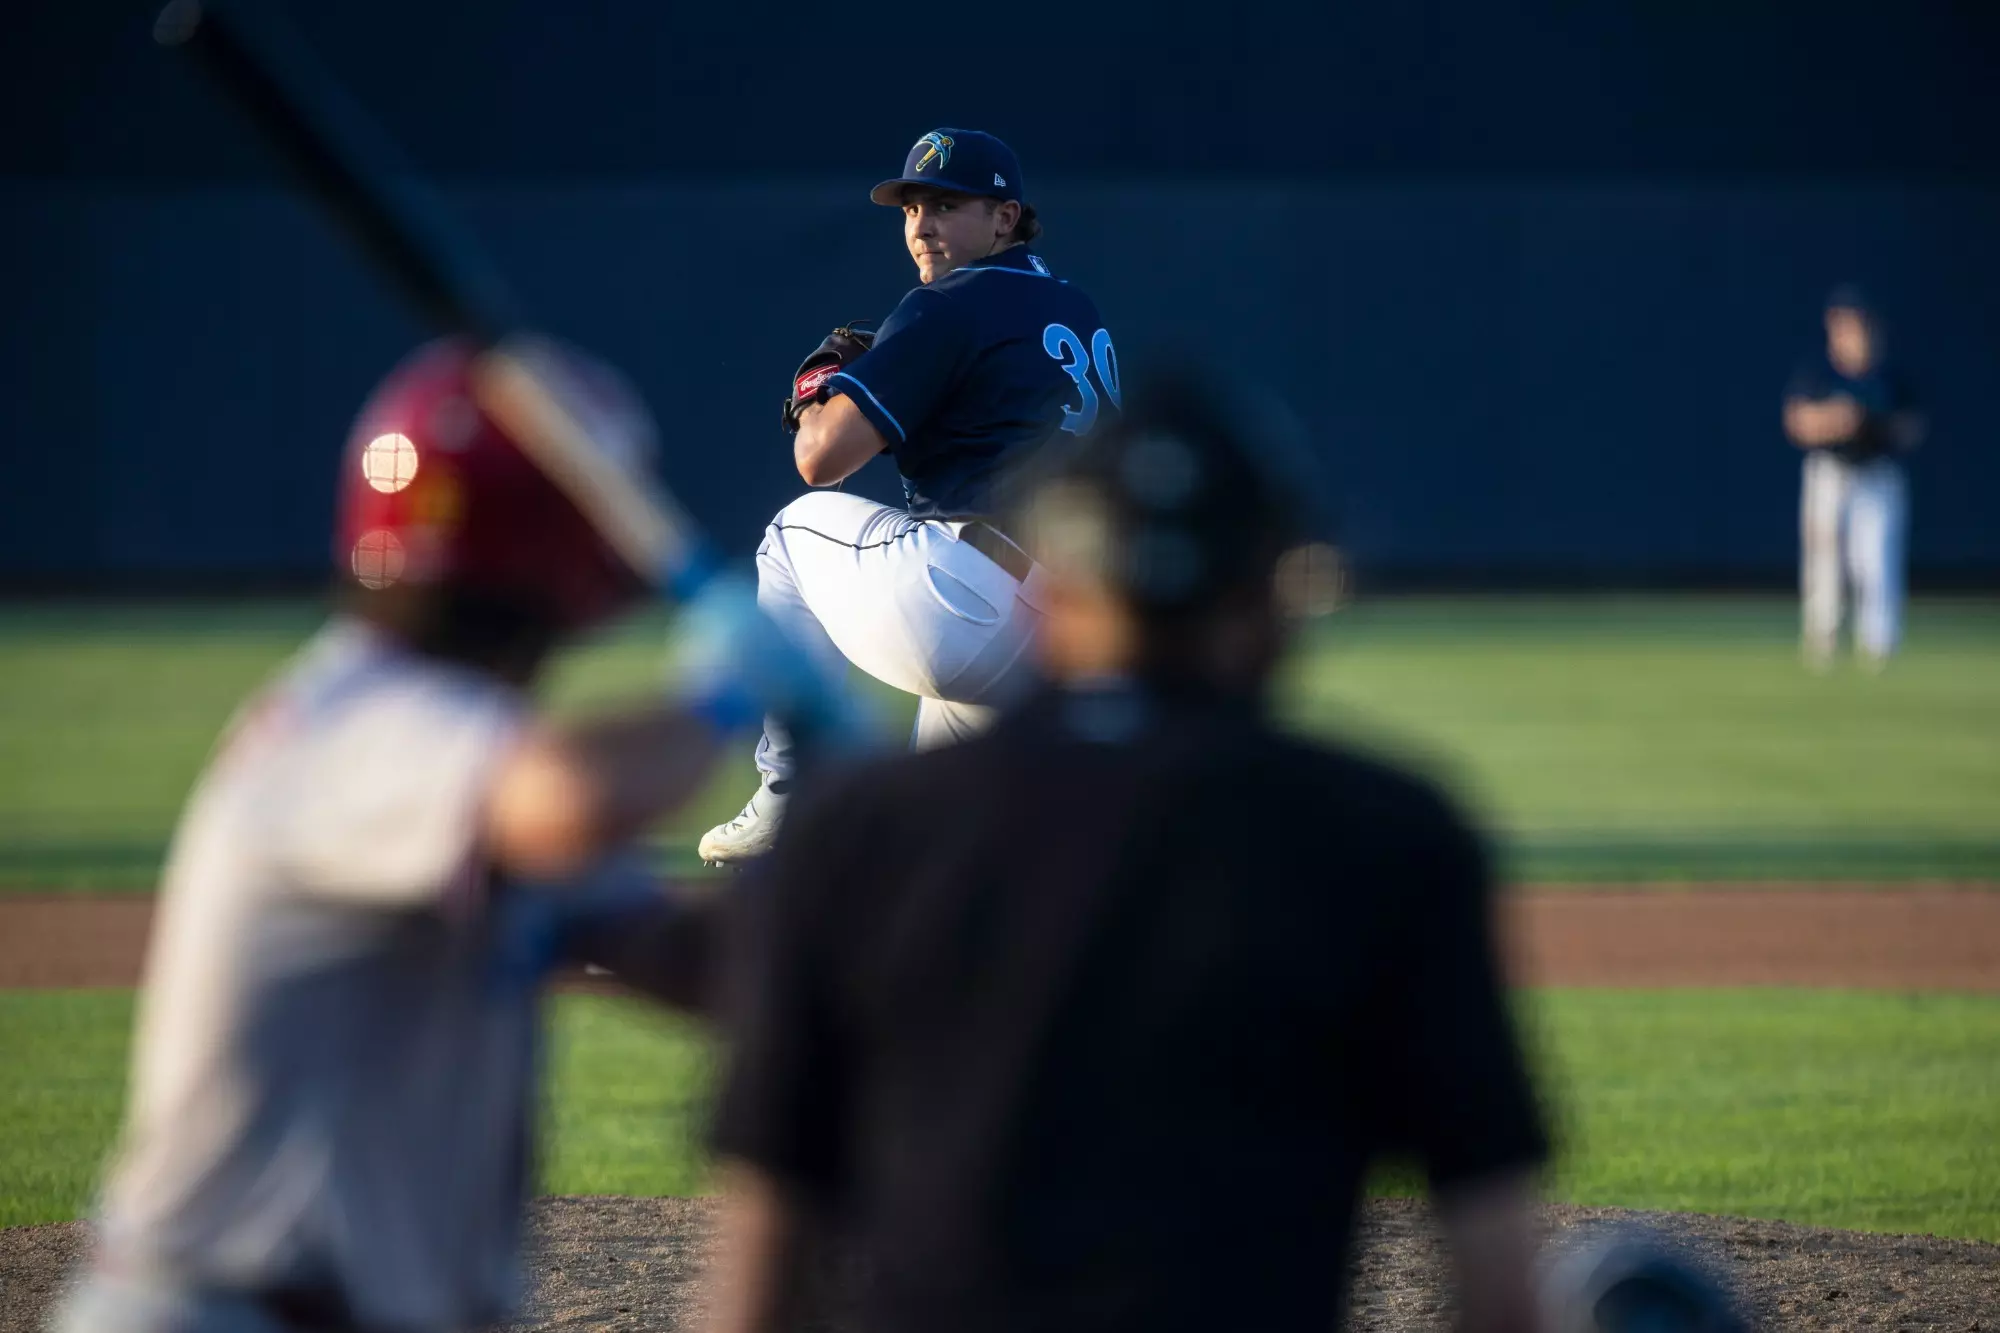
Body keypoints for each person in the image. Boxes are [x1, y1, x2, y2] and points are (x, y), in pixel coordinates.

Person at [706, 369, 1549, 1333]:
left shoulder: (860, 831)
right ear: (1278, 595)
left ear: (1049, 593)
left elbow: (761, 1285)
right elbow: (1500, 1293)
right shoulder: (1390, 836)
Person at [53, 338, 843, 1333]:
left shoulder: (451, 752)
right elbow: (572, 795)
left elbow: (694, 959)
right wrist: (726, 696)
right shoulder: (358, 721)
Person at [697, 127, 1120, 865]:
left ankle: (791, 790)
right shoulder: (1078, 309)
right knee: (947, 846)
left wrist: (818, 392)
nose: (921, 226)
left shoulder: (950, 303)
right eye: (911, 208)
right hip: (1070, 633)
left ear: (1005, 216)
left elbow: (820, 460)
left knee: (790, 535)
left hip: (963, 598)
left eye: (946, 205)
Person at [1783, 286, 1924, 669]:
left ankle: (1879, 645)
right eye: (1844, 326)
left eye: (1859, 326)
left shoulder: (1887, 378)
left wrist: (1870, 423)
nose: (1853, 335)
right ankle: (1822, 641)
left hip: (1876, 475)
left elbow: (1911, 427)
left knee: (1875, 561)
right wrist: (1836, 419)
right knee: (1824, 560)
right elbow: (1796, 421)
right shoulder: (1818, 373)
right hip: (1830, 473)